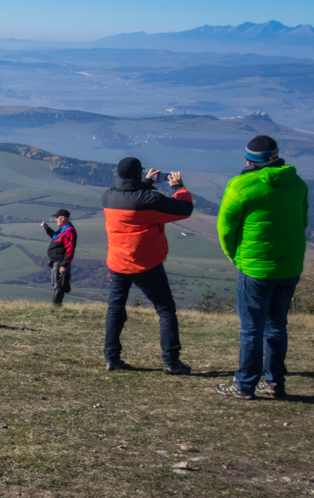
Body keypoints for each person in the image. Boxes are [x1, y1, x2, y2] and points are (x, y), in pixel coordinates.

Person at [214, 135, 308, 400]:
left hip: (255, 267)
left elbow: (226, 229)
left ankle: (245, 385)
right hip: (289, 266)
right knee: (277, 325)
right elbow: (302, 221)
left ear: (248, 159)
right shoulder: (297, 184)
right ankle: (275, 381)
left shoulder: (241, 186)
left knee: (252, 328)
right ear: (275, 157)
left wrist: (236, 257)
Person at [102, 157, 193, 374]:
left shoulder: (107, 196)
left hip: (117, 262)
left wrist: (145, 182)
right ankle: (171, 362)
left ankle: (111, 358)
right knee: (165, 309)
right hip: (145, 264)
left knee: (115, 308)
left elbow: (129, 196)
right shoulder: (149, 200)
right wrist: (179, 188)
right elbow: (184, 209)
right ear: (137, 173)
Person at [41, 209, 76, 305]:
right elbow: (55, 237)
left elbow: (69, 250)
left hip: (60, 262)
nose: (56, 219)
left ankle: (56, 306)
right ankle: (55, 305)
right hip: (55, 261)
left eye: (57, 218)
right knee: (56, 284)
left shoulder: (69, 231)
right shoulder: (62, 229)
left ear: (63, 218)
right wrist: (47, 229)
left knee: (59, 285)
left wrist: (64, 265)